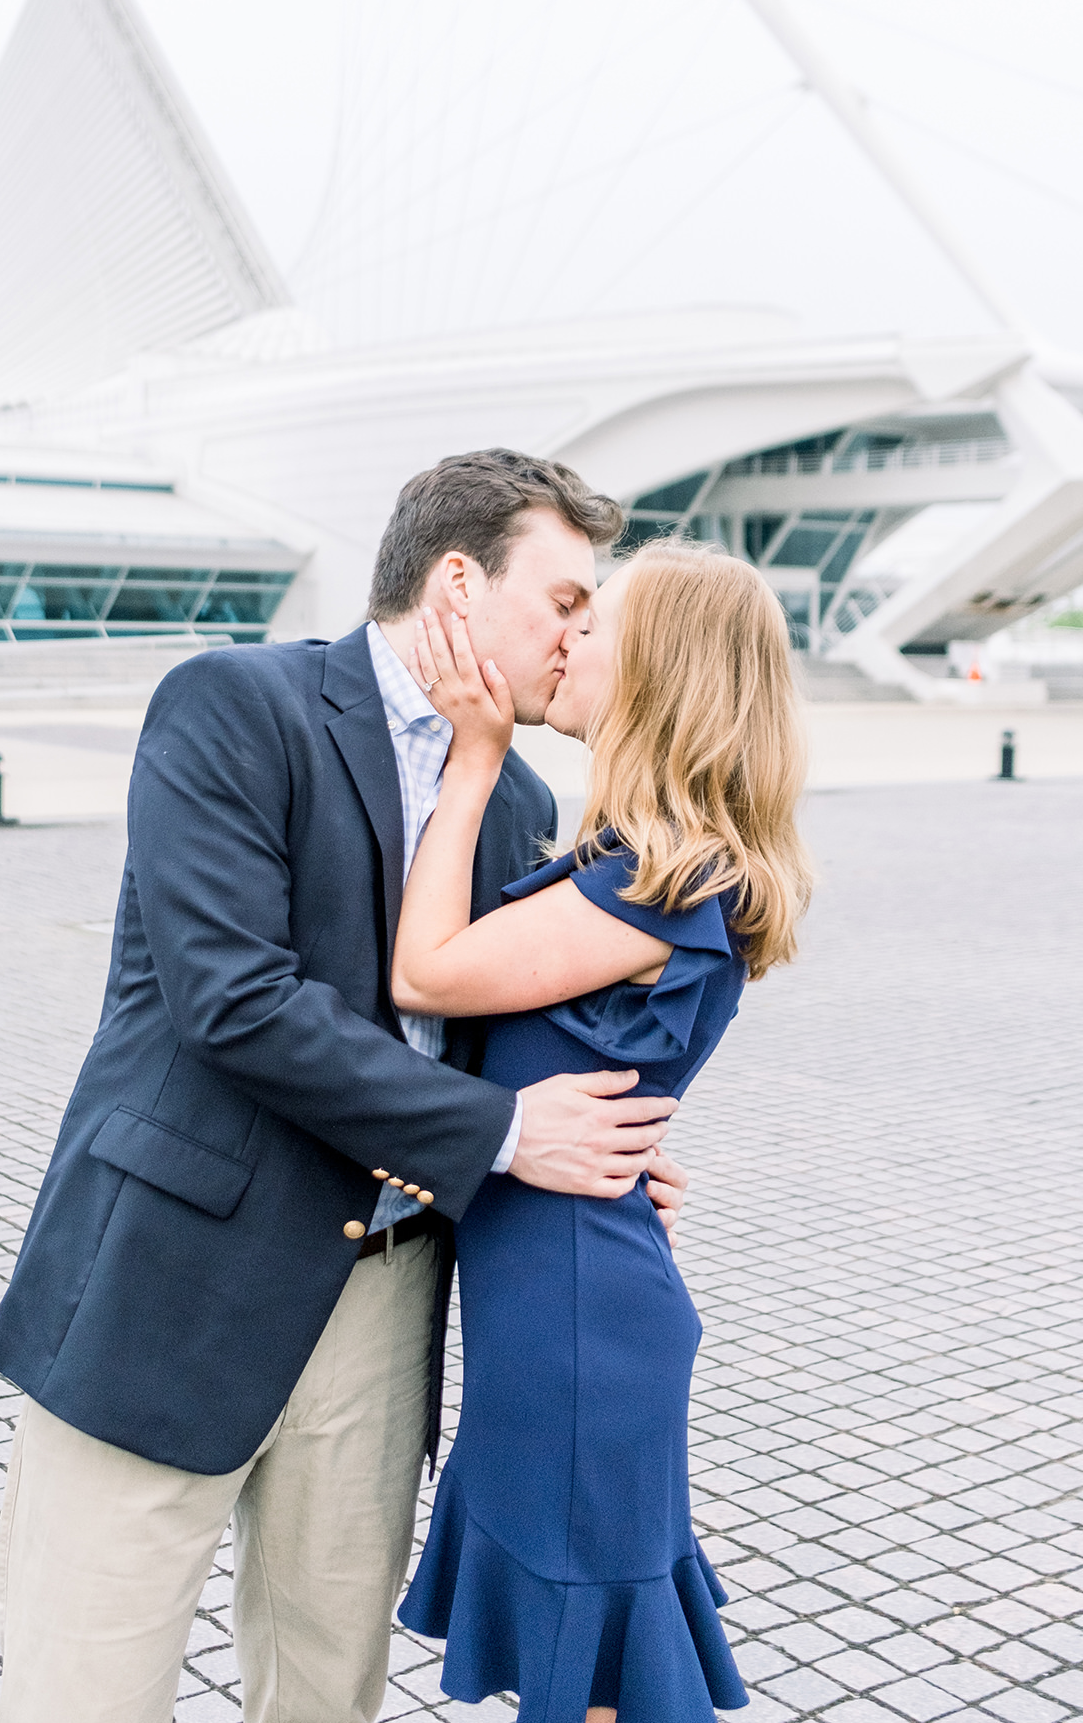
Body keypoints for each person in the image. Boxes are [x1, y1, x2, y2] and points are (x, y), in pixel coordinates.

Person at [0, 448, 691, 1723]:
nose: (584, 637)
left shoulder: (521, 798)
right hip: (169, 1285)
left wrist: (603, 1149)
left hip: (384, 1295)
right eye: (567, 602)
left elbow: (496, 1035)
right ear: (459, 585)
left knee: (324, 1695)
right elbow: (232, 1004)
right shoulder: (233, 706)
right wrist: (508, 1131)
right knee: (82, 1689)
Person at [390, 540, 812, 1723]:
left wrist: (475, 757)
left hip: (576, 1333)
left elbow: (423, 972)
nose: (565, 639)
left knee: (594, 1678)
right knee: (586, 1672)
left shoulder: (656, 883)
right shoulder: (650, 869)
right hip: (569, 1312)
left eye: (596, 622)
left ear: (661, 673)